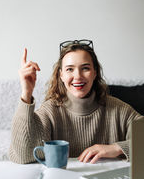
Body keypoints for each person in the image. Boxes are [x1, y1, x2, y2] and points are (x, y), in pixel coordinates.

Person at [9, 39, 141, 164]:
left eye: (85, 68)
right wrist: (26, 92)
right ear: (61, 75)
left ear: (95, 73)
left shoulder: (119, 109)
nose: (78, 76)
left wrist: (116, 148)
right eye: (69, 69)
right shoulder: (50, 111)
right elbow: (23, 156)